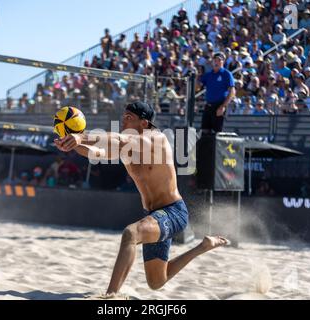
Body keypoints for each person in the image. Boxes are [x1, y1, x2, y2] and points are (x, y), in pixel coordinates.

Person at [54, 101, 229, 295]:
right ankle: (204, 246)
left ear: (144, 124)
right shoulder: (127, 147)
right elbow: (97, 152)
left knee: (131, 233)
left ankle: (110, 296)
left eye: (129, 118)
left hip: (173, 212)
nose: (123, 121)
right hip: (153, 215)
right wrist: (73, 145)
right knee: (156, 281)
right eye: (123, 117)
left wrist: (81, 137)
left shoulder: (156, 139)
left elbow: (117, 139)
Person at [199, 52, 236, 134]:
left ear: (223, 62)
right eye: (215, 60)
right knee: (205, 131)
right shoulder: (208, 74)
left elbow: (232, 91)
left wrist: (223, 106)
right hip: (208, 105)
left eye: (219, 60)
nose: (216, 62)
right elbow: (198, 86)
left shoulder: (226, 74)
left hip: (219, 105)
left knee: (217, 133)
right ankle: (206, 147)